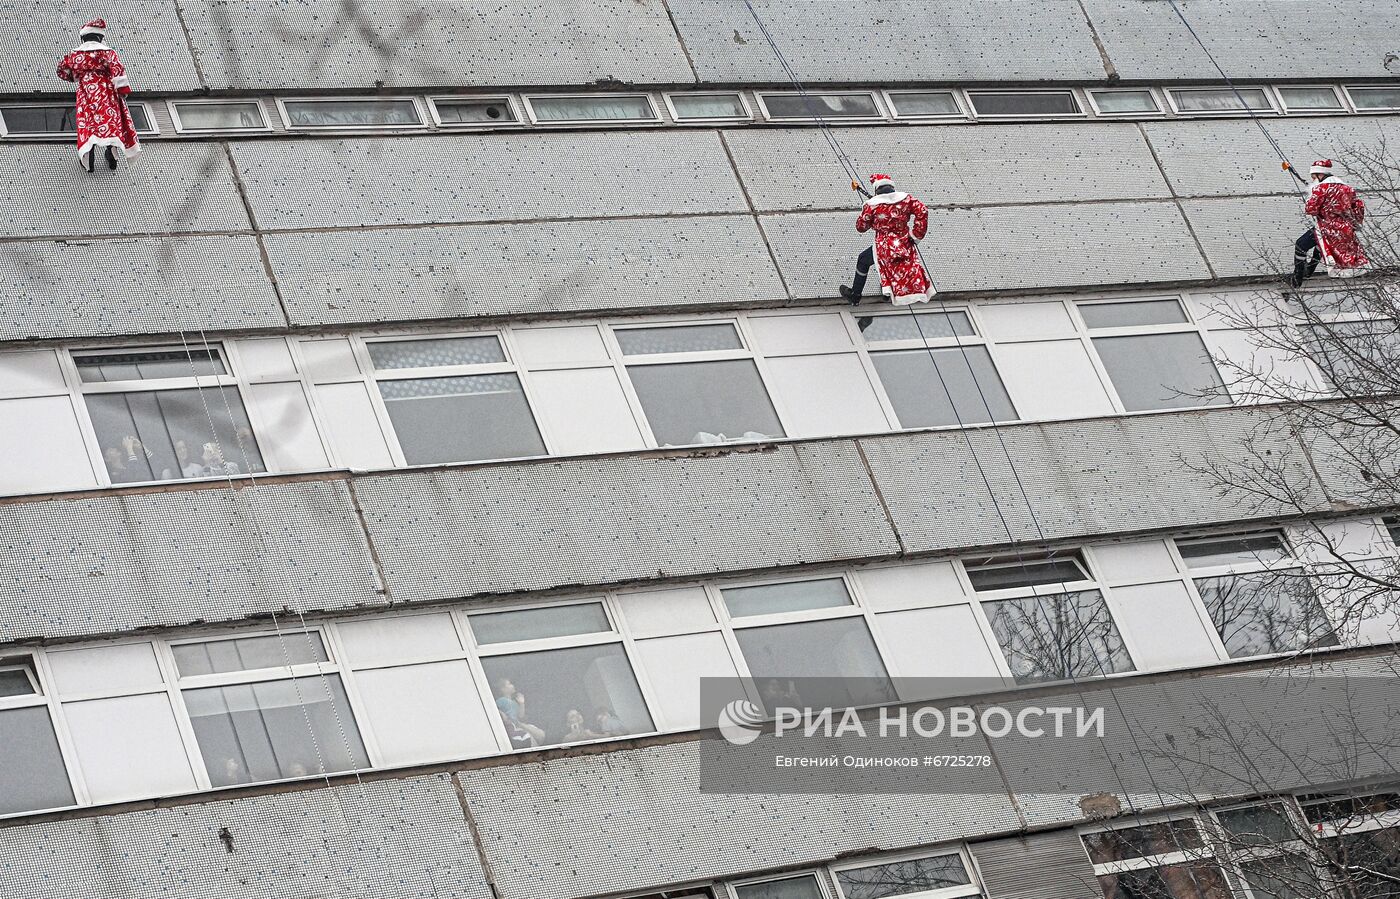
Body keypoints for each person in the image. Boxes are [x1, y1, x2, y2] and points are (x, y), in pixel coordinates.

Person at [839, 173, 934, 311]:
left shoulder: (872, 206)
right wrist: (916, 235)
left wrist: (873, 217)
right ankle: (887, 293)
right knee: (900, 268)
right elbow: (922, 211)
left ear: (877, 189)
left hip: (885, 247)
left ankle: (855, 295)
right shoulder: (906, 199)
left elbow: (861, 227)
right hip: (904, 244)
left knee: (864, 260)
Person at [56, 18, 140, 173]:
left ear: (83, 37)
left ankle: (89, 154)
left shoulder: (75, 55)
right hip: (106, 92)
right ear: (100, 37)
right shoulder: (108, 53)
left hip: (86, 94)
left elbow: (61, 69)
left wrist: (75, 76)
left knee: (89, 123)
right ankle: (111, 153)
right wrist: (122, 90)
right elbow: (118, 70)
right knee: (109, 122)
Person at [1292, 159, 1368, 287]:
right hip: (1344, 229)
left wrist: (1310, 195)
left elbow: (1310, 209)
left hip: (1326, 227)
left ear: (1319, 175)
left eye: (1313, 177)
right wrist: (1354, 224)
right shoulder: (1347, 188)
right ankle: (1309, 270)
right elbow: (1358, 206)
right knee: (1319, 244)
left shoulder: (1321, 188)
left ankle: (1298, 278)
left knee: (1301, 245)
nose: (1313, 179)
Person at [494, 677, 546, 745]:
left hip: (518, 725)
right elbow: (494, 710)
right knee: (531, 738)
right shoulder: (501, 701)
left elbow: (521, 716)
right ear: (503, 689)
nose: (513, 685)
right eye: (509, 684)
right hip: (512, 727)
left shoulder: (514, 703)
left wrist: (522, 703)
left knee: (540, 735)